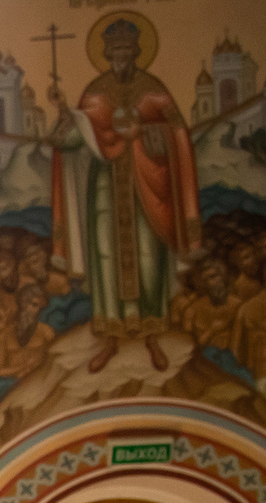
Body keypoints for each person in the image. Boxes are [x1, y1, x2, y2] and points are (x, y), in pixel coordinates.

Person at [48, 15, 200, 374]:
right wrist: (63, 119)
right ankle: (111, 339)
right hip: (105, 188)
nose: (121, 54)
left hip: (149, 188)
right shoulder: (96, 92)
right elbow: (76, 138)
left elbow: (177, 136)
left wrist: (147, 133)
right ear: (106, 53)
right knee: (105, 256)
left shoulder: (154, 89)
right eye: (114, 49)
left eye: (126, 48)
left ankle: (152, 337)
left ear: (137, 51)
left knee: (148, 257)